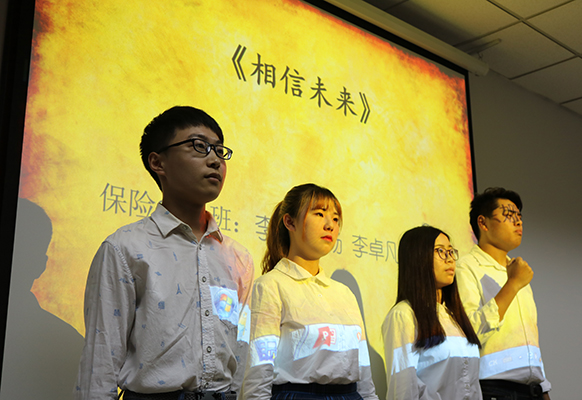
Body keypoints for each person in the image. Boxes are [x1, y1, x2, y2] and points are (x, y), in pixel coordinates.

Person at [74, 106, 254, 400]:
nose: (214, 160)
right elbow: (100, 361)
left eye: (219, 151)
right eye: (199, 146)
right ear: (158, 162)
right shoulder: (125, 248)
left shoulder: (238, 257)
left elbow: (242, 350)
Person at [239, 184, 377, 400]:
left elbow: (364, 372)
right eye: (320, 214)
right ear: (290, 222)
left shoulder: (344, 293)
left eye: (335, 219)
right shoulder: (271, 285)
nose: (330, 225)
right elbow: (258, 371)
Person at [456, 187, 551, 399]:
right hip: (494, 389)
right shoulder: (466, 268)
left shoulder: (518, 270)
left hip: (532, 390)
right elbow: (469, 332)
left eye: (519, 216)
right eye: (509, 214)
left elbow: (529, 339)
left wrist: (543, 387)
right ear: (483, 223)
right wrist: (513, 284)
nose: (518, 222)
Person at [382, 226, 482, 400]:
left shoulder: (453, 316)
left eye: (451, 252)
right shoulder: (404, 315)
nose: (449, 259)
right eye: (440, 251)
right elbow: (403, 389)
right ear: (418, 257)